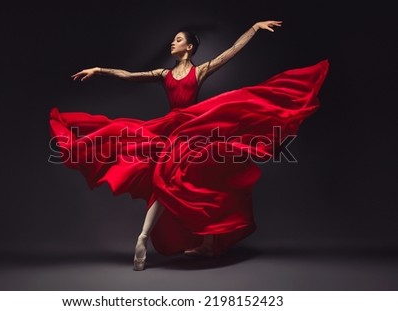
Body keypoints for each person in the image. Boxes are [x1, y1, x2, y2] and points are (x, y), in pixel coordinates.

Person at [49, 20, 329, 271]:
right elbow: (128, 75)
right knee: (173, 180)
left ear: (190, 47)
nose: (173, 42)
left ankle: (168, 240)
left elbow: (231, 52)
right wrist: (99, 69)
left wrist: (253, 29)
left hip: (190, 130)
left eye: (178, 39)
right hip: (176, 131)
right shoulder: (163, 74)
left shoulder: (200, 70)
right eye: (173, 39)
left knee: (192, 180)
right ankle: (150, 238)